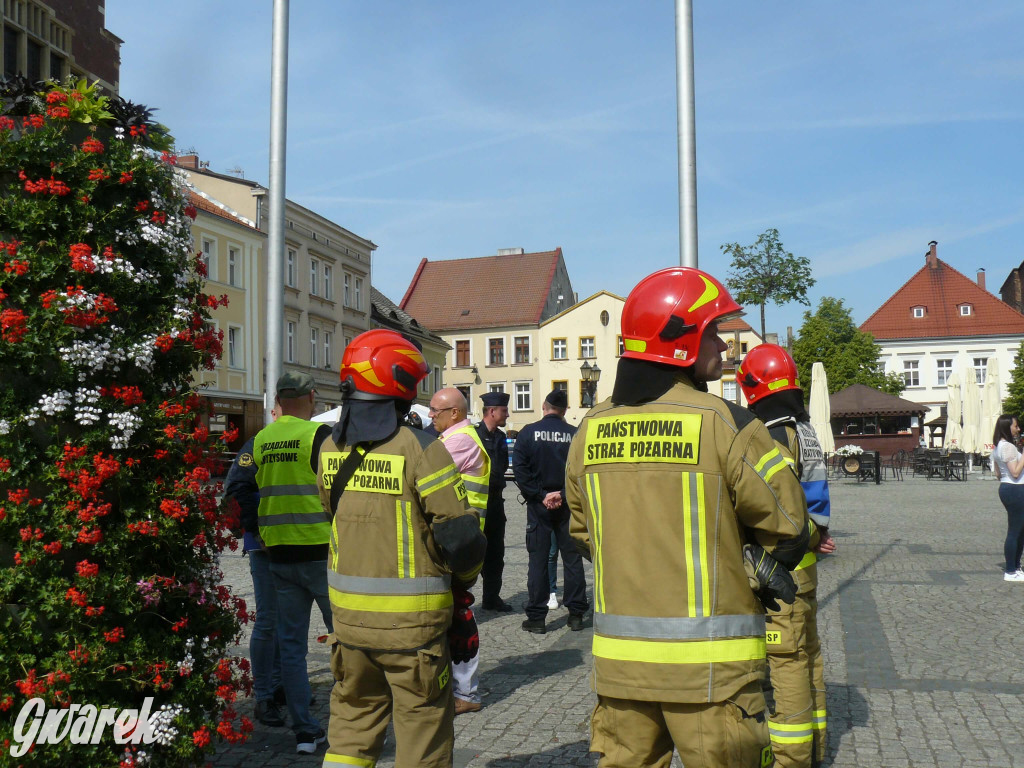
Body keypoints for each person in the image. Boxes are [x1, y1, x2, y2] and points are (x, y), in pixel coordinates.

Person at [566, 267, 809, 768]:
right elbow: (788, 527)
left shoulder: (590, 428)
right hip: (713, 677)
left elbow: (584, 533)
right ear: (681, 342)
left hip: (621, 672)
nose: (724, 347)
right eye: (714, 333)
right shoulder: (728, 424)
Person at [316, 330, 486, 767]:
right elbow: (461, 538)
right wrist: (462, 588)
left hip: (349, 626)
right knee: (423, 735)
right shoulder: (421, 447)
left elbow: (331, 514)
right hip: (412, 634)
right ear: (402, 384)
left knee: (350, 732)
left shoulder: (331, 447)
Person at [738, 343, 838, 767]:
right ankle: (815, 745)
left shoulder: (773, 437)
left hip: (781, 567)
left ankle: (791, 758)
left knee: (785, 663)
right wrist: (818, 534)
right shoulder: (807, 431)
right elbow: (815, 505)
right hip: (808, 565)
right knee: (808, 655)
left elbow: (773, 506)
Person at [252, 372, 334, 754]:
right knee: (346, 640)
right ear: (311, 397)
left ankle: (304, 730)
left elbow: (249, 490)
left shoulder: (262, 439)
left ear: (281, 399)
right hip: (320, 551)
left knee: (290, 647)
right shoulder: (317, 436)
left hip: (279, 554)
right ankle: (357, 721)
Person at [431, 387, 490, 715]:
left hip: (458, 541)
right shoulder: (452, 439)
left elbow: (422, 474)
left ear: (455, 412)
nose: (430, 416)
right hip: (458, 537)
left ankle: (466, 692)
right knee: (452, 610)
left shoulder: (460, 441)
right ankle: (456, 686)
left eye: (435, 411)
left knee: (458, 611)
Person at [513, 389, 589, 633]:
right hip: (568, 505)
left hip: (538, 506)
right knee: (572, 559)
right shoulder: (575, 434)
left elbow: (520, 470)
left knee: (538, 560)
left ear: (544, 406)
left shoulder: (527, 433)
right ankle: (576, 614)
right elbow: (582, 471)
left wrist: (540, 495)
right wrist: (563, 495)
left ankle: (536, 618)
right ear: (565, 410)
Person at [225, 433, 284, 727]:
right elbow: (238, 486)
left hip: (299, 541)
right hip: (264, 543)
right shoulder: (259, 442)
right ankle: (264, 695)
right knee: (268, 618)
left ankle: (277, 684)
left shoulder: (310, 438)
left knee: (286, 619)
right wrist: (255, 528)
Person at [476, 391, 514, 611]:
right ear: (491, 411)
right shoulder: (473, 435)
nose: (507, 414)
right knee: (470, 552)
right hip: (475, 503)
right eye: (504, 410)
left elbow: (501, 467)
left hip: (496, 504)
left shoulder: (500, 438)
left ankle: (491, 597)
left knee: (496, 552)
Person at [992, 414, 1024, 582]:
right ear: (1007, 427)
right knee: (1015, 530)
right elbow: (1016, 472)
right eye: (1016, 426)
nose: (1018, 429)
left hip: (1007, 487)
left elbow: (998, 474)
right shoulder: (1008, 447)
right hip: (1016, 489)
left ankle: (1016, 567)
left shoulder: (997, 447)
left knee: (1020, 530)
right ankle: (1011, 570)